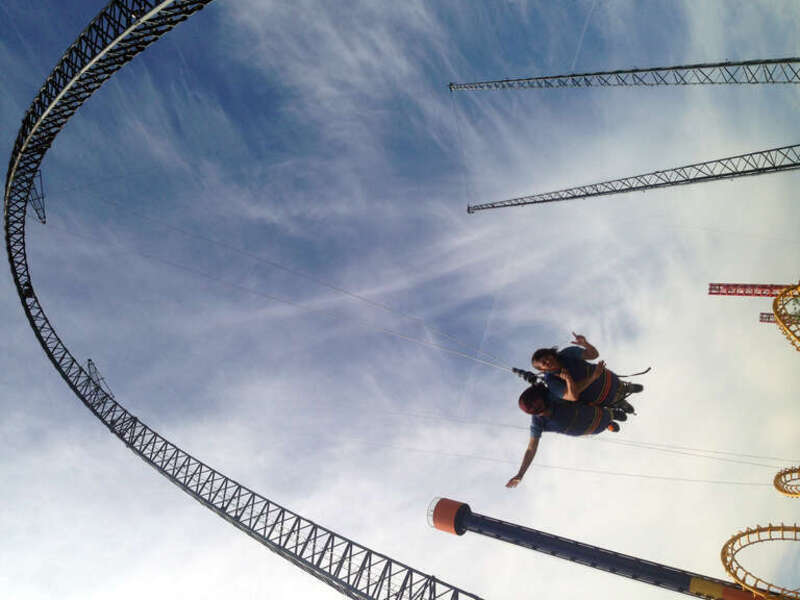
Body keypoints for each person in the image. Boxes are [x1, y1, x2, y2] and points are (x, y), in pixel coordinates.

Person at [506, 383, 625, 488]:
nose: (543, 412)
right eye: (538, 411)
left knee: (578, 397)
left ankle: (611, 413)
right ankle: (608, 422)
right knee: (597, 420)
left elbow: (571, 390)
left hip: (591, 413)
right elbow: (531, 448)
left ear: (542, 399)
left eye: (541, 407)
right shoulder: (537, 422)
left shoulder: (552, 396)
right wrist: (521, 473)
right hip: (588, 427)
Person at [531, 332, 642, 413]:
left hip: (611, 379)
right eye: (544, 363)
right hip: (601, 397)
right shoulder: (552, 382)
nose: (548, 361)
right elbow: (572, 396)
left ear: (551, 353)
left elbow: (593, 355)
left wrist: (585, 344)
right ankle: (619, 402)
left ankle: (625, 386)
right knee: (612, 400)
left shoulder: (566, 353)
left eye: (547, 357)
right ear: (542, 370)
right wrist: (577, 379)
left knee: (618, 384)